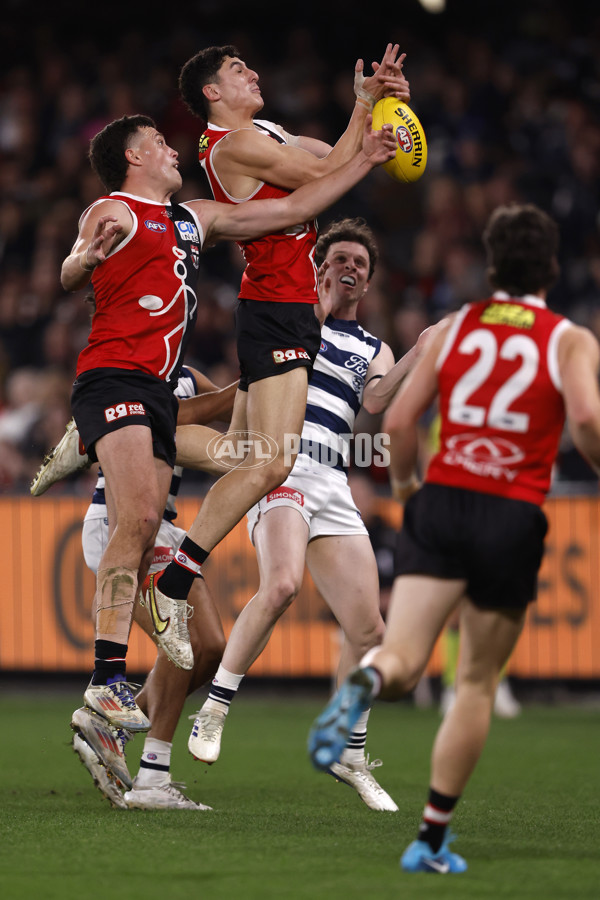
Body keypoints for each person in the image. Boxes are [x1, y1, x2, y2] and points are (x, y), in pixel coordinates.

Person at [60, 110, 397, 732]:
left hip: (160, 391)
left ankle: (126, 722)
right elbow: (72, 265)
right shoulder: (114, 211)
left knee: (250, 457)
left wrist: (364, 161)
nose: (169, 146)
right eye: (157, 141)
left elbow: (288, 211)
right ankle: (107, 679)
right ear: (133, 158)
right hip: (116, 374)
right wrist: (85, 262)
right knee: (135, 518)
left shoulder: (194, 217)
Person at [308, 203, 600, 872]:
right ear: (551, 267)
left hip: (442, 501)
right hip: (510, 509)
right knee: (473, 682)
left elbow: (399, 422)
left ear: (491, 265)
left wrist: (411, 493)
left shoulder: (456, 327)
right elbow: (585, 418)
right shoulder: (567, 337)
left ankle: (361, 685)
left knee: (402, 658)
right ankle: (431, 840)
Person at [145, 44, 410, 652]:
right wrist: (365, 126)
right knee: (269, 463)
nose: (254, 72)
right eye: (238, 71)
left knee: (246, 452)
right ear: (212, 92)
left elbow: (329, 154)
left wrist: (378, 111)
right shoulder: (232, 146)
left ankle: (118, 435)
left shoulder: (263, 132)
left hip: (280, 309)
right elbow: (324, 177)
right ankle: (175, 579)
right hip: (276, 309)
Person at [186, 218, 432, 811]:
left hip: (331, 480)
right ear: (319, 267)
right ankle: (214, 710)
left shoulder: (373, 347)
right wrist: (313, 307)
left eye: (360, 265)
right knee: (283, 585)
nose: (350, 268)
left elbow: (374, 399)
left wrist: (420, 353)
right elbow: (275, 365)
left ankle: (349, 751)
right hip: (279, 465)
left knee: (369, 629)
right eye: (340, 259)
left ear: (369, 282)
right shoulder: (290, 316)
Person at [69, 365, 236, 810]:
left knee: (212, 648)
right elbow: (177, 418)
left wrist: (279, 390)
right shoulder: (126, 376)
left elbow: (235, 411)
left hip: (164, 526)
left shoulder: (185, 374)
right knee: (181, 643)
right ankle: (152, 780)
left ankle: (112, 728)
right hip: (122, 523)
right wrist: (258, 377)